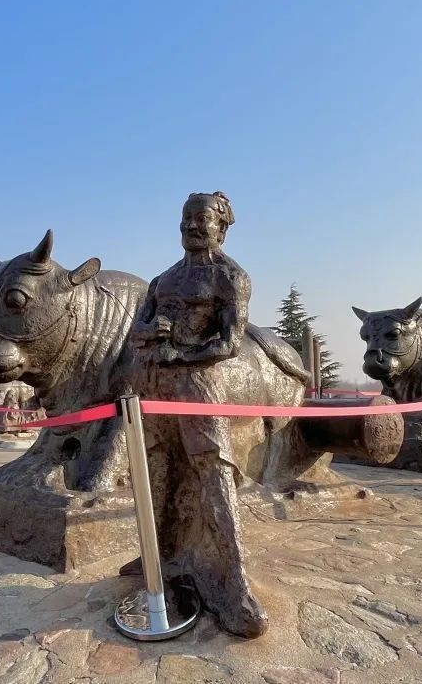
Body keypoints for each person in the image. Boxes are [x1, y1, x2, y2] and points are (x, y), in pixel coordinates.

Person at [129, 191, 268, 638]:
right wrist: (150, 332)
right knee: (155, 471)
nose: (192, 225)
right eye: (186, 218)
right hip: (153, 386)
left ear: (221, 227)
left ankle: (235, 582)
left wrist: (180, 354)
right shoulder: (162, 280)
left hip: (198, 387)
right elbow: (135, 335)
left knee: (214, 475)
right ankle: (157, 555)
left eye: (201, 219)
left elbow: (230, 342)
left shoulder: (230, 277)